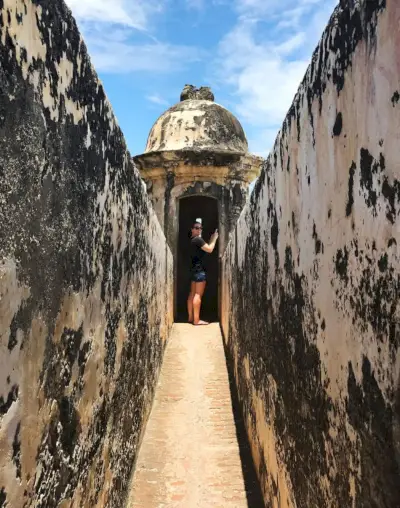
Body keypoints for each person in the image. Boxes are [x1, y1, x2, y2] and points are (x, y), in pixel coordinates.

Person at [187, 220, 219, 325]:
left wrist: (210, 239)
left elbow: (205, 247)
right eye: (196, 228)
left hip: (193, 270)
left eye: (200, 228)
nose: (199, 229)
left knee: (192, 293)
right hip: (200, 271)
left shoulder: (192, 240)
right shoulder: (198, 240)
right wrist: (214, 239)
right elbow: (209, 249)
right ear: (192, 229)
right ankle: (196, 320)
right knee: (198, 295)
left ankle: (191, 317)